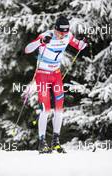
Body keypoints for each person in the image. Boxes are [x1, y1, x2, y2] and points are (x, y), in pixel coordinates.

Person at [25, 16, 87, 153]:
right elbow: (27, 49)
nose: (62, 36)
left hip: (56, 75)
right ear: (55, 29)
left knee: (59, 109)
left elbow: (80, 46)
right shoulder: (46, 35)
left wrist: (83, 41)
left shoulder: (68, 36)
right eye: (60, 33)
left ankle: (56, 142)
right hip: (42, 75)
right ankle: (42, 143)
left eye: (65, 33)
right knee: (45, 109)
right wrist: (40, 42)